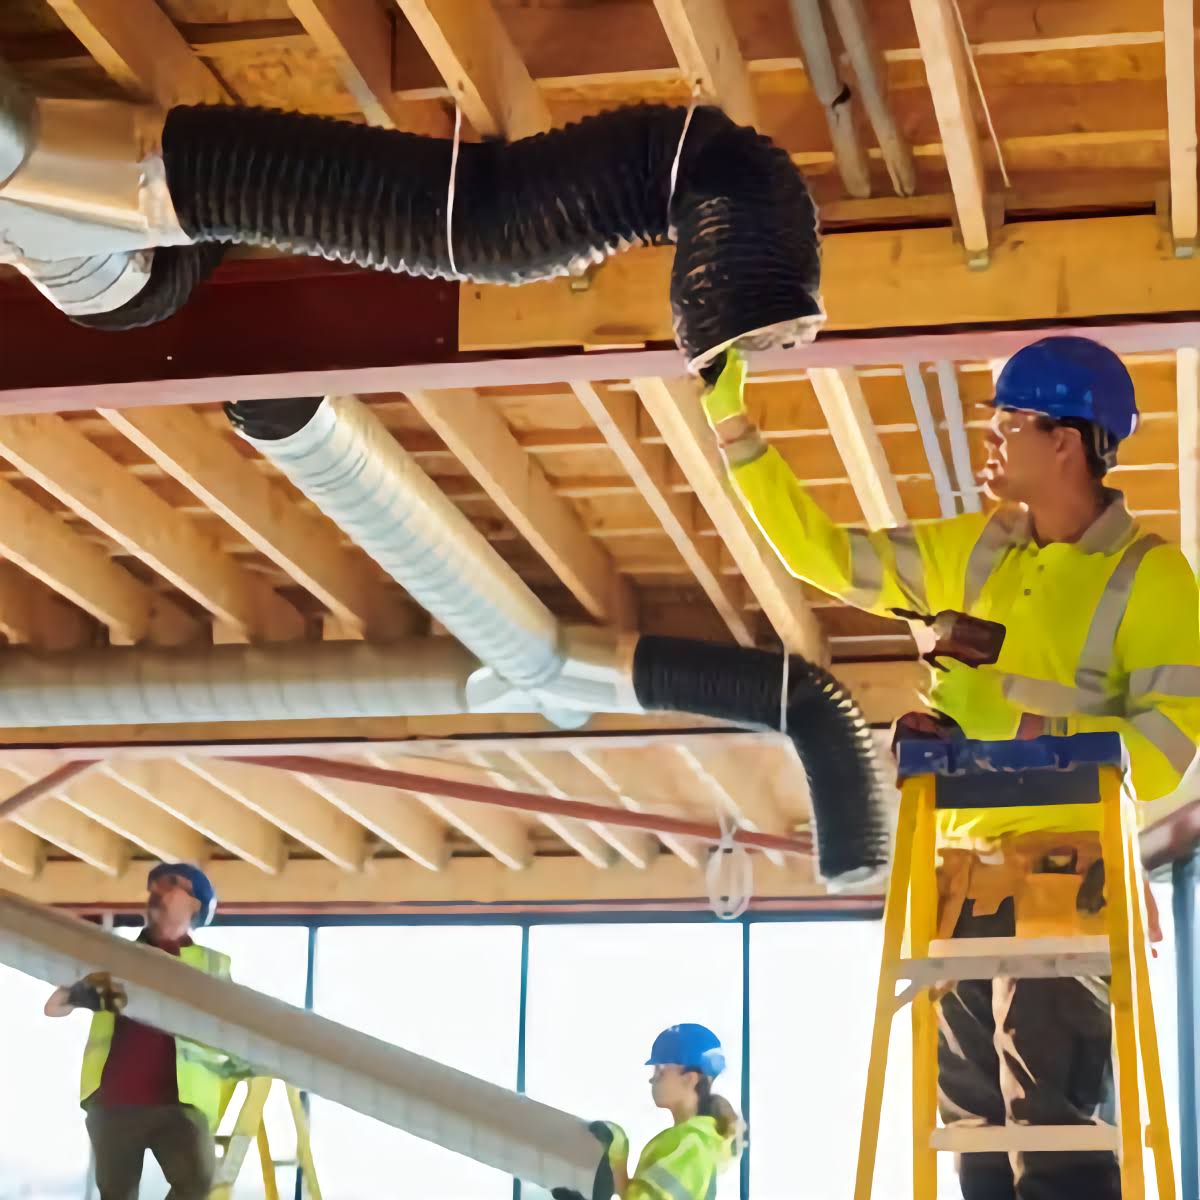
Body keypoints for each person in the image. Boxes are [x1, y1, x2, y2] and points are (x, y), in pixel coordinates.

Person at [700, 336, 1200, 1199]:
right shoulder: (974, 551)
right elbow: (820, 555)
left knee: (1053, 1127)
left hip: (1071, 882)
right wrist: (732, 420)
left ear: (1067, 442)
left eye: (1009, 421)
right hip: (960, 881)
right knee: (970, 1129)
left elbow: (1163, 758)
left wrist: (1006, 716)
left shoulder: (1151, 579)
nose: (992, 440)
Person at [45, 862, 239, 1200]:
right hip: (114, 1101)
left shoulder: (212, 967)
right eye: (154, 884)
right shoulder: (115, 956)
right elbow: (53, 1006)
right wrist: (79, 995)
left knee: (198, 1185)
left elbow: (236, 1026)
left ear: (195, 904)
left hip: (180, 1102)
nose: (156, 890)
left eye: (171, 883)